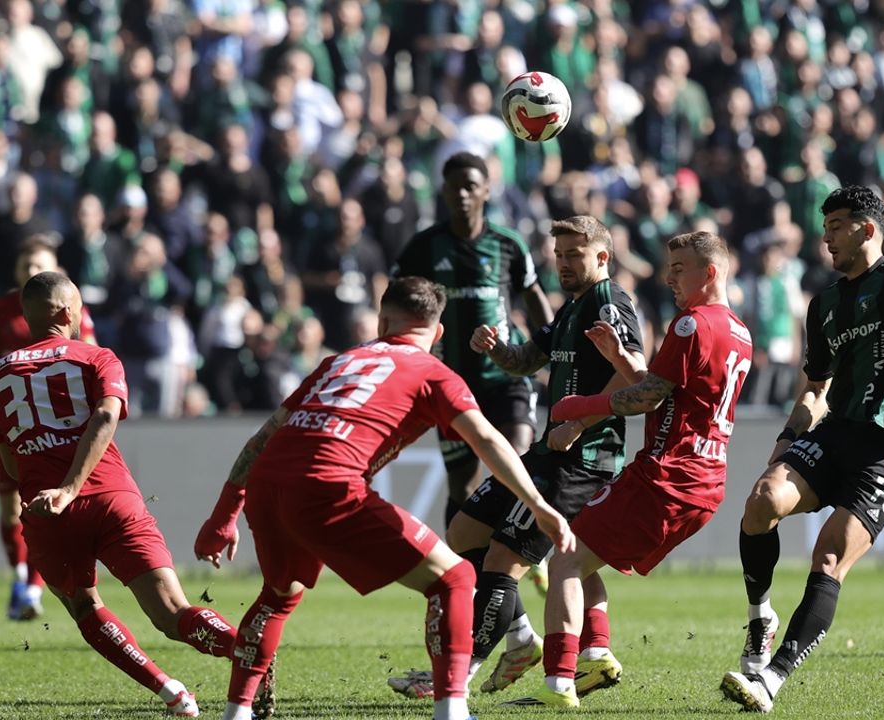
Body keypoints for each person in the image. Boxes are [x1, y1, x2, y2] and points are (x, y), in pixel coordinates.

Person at [192, 277, 575, 720]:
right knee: (454, 579)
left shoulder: (338, 362)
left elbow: (263, 439)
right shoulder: (434, 372)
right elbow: (487, 440)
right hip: (328, 484)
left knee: (277, 597)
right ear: (438, 332)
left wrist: (223, 516)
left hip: (267, 484)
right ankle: (452, 711)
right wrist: (538, 506)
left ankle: (237, 713)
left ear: (382, 322)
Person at [721, 186, 884, 713]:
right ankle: (760, 618)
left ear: (868, 228)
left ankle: (771, 680)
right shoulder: (824, 304)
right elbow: (815, 388)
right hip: (836, 431)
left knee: (830, 556)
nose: (826, 237)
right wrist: (787, 439)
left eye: (836, 226)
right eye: (825, 227)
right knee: (761, 503)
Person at [0, 272, 261, 718]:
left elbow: (13, 465)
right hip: (111, 497)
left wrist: (57, 483)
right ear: (68, 312)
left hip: (47, 510)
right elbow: (106, 416)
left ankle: (171, 692)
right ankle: (246, 653)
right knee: (173, 612)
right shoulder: (97, 357)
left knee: (83, 605)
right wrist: (74, 485)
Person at [388, 216, 645, 700]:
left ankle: (457, 676)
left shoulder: (609, 302)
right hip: (549, 452)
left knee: (504, 561)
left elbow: (635, 375)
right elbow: (528, 360)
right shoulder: (572, 308)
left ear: (602, 257)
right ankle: (525, 638)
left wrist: (580, 423)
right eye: (559, 254)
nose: (563, 263)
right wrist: (497, 349)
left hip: (582, 460)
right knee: (464, 532)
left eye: (574, 254)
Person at [503, 230, 755, 708]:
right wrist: (619, 357)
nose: (669, 278)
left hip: (665, 476)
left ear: (710, 273)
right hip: (707, 483)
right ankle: (595, 653)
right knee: (579, 550)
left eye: (679, 269)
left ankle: (558, 683)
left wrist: (582, 406)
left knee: (565, 558)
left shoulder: (691, 324)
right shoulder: (740, 332)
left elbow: (647, 398)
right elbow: (670, 389)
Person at [392, 152, 554, 527]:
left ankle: (513, 550)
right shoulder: (424, 247)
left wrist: (553, 348)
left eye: (470, 186)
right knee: (462, 486)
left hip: (506, 376)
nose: (462, 194)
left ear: (486, 191)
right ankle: (465, 560)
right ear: (444, 192)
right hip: (452, 384)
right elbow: (396, 301)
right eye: (455, 187)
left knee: (517, 459)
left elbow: (533, 296)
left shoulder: (507, 244)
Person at [0, 237, 95, 620]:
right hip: (12, 420)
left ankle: (34, 588)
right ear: (17, 271)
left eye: (40, 265)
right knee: (10, 509)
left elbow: (90, 350)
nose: (32, 271)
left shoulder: (72, 308)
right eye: (26, 266)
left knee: (42, 500)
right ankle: (21, 576)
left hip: (54, 423)